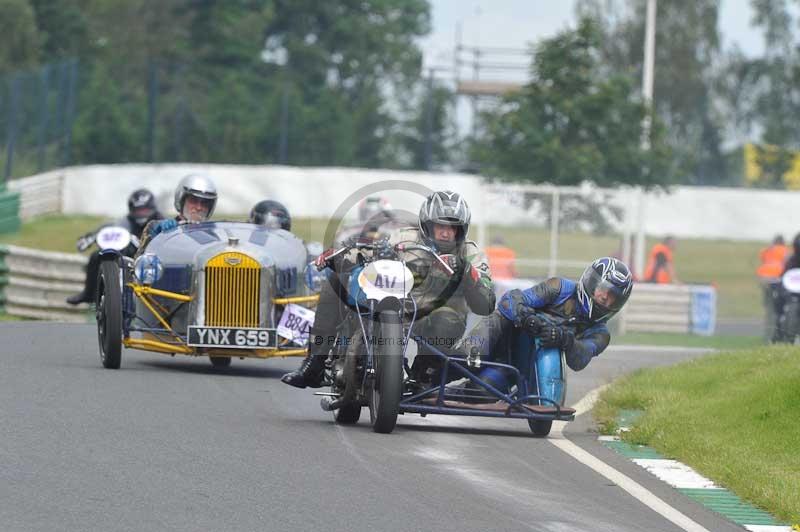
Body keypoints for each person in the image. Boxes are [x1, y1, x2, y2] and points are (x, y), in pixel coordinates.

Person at [281, 190, 496, 389]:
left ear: (461, 229)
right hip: (396, 303)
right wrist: (340, 256)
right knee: (337, 280)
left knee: (445, 324)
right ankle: (315, 361)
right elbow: (368, 252)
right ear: (426, 224)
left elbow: (486, 304)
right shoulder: (403, 237)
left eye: (452, 228)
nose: (446, 233)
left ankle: (422, 376)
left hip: (438, 314)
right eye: (440, 226)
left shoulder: (472, 254)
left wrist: (466, 271)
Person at [460, 257, 633, 389]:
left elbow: (580, 359)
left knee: (481, 391)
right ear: (591, 283)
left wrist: (565, 340)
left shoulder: (600, 333)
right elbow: (510, 299)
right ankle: (461, 355)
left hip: (516, 367)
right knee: (496, 321)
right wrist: (527, 317)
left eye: (612, 296)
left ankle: (460, 390)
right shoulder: (560, 288)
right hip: (503, 340)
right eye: (603, 289)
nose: (605, 297)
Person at [66, 188, 163, 305]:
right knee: (95, 256)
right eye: (138, 211)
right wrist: (91, 237)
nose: (141, 214)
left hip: (151, 261)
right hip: (127, 253)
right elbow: (113, 227)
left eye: (144, 210)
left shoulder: (162, 222)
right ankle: (89, 293)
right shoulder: (125, 222)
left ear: (152, 208)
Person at [139, 175, 218, 247]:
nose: (199, 207)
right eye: (193, 200)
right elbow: (142, 256)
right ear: (181, 201)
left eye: (205, 203)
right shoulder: (156, 227)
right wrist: (158, 235)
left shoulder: (214, 234)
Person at [757, 235, 789, 341]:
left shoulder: (767, 250)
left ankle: (767, 335)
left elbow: (763, 258)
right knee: (778, 307)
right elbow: (788, 263)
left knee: (768, 307)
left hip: (763, 278)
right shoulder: (785, 250)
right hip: (777, 279)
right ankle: (776, 334)